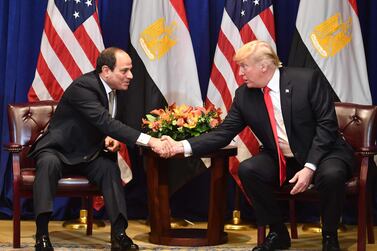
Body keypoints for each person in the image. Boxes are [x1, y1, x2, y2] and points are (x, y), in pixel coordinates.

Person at [161, 40, 355, 251]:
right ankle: (278, 233)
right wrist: (181, 146)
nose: (240, 72)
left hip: (325, 153)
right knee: (249, 170)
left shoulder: (306, 80)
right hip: (282, 158)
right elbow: (223, 134)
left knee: (332, 175)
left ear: (264, 66)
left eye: (244, 66)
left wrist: (309, 167)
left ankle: (329, 236)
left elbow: (326, 126)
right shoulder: (244, 95)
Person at [28, 47, 172, 251]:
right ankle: (42, 234)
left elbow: (102, 125)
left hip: (88, 152)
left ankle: (119, 235)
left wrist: (109, 138)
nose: (130, 76)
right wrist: (151, 141)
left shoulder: (118, 90)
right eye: (124, 71)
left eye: (130, 70)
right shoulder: (84, 87)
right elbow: (105, 121)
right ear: (106, 70)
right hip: (58, 149)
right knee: (47, 164)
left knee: (109, 169)